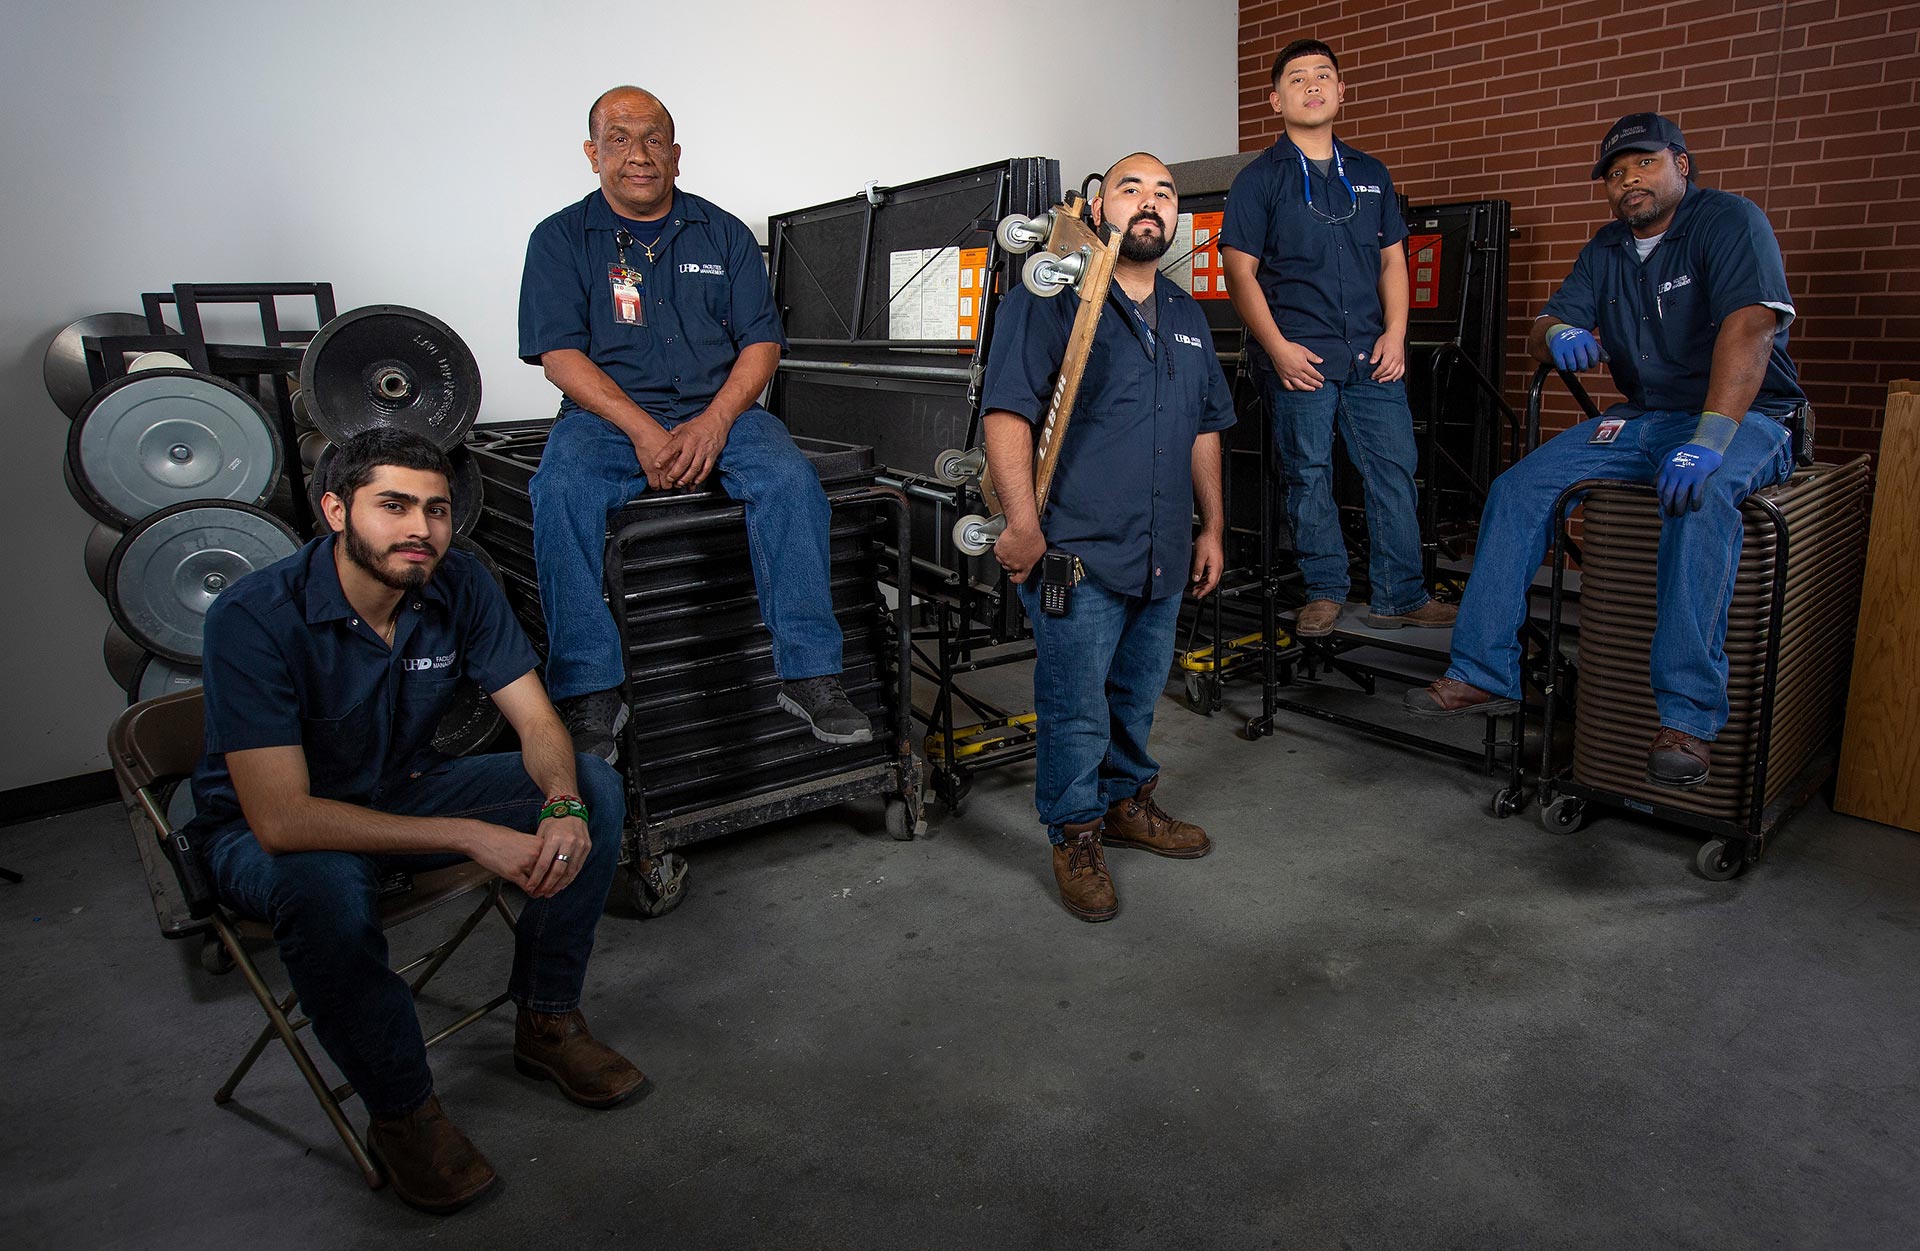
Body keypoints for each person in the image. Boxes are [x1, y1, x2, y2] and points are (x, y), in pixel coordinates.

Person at [188, 429, 644, 1214]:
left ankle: (545, 1018)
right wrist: (470, 834)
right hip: (263, 833)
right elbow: (283, 817)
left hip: (402, 788)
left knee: (597, 788)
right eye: (393, 505)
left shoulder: (459, 582)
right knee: (323, 885)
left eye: (436, 509)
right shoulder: (253, 617)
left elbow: (537, 722)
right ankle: (402, 1111)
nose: (421, 529)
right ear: (336, 510)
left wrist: (563, 802)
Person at [1405, 113, 1804, 790]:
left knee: (1699, 500)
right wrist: (1557, 332)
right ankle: (1483, 671)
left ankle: (1687, 718)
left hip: (1744, 417)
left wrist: (1709, 440)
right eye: (1616, 174)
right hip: (1644, 418)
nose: (1629, 182)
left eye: (1643, 165)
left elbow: (1751, 328)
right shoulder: (1607, 248)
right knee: (1519, 486)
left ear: (1681, 162)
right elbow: (1543, 327)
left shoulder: (1729, 221)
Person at [518, 85, 869, 762]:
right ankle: (591, 690)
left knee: (792, 482)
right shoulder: (559, 238)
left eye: (653, 140)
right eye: (618, 140)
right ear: (593, 154)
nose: (638, 155)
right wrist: (644, 431)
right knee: (559, 489)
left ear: (676, 155)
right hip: (607, 415)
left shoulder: (724, 233)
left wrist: (712, 424)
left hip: (723, 409)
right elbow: (560, 358)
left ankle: (811, 674)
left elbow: (760, 345)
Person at [978, 152, 1234, 922]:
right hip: (1077, 554)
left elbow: (1205, 429)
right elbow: (1007, 414)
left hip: (1161, 549)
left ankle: (1126, 803)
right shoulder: (1051, 295)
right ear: (1097, 209)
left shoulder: (1187, 317)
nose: (1150, 203)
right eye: (1132, 189)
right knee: (1075, 706)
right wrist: (1022, 524)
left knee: (1136, 694)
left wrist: (1213, 525)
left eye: (1164, 193)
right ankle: (1076, 832)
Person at [1221, 39, 1456, 638]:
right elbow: (1239, 272)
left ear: (1342, 92)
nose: (1313, 85)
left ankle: (1400, 593)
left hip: (1372, 354)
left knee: (1394, 469)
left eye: (1324, 75)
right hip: (1300, 355)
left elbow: (1394, 263)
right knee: (1308, 473)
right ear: (1275, 99)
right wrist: (1275, 348)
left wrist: (1398, 335)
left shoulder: (1371, 174)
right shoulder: (1259, 180)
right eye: (1297, 79)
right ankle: (1324, 590)